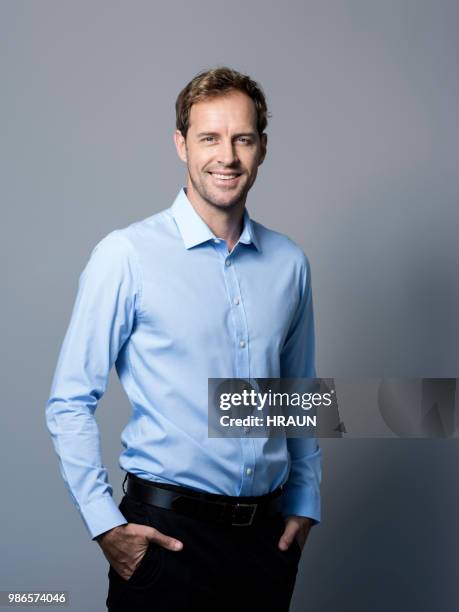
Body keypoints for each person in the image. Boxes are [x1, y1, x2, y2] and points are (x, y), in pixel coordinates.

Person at [45, 66, 322, 611]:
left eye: (243, 138)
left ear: (262, 147)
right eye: (210, 138)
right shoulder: (126, 256)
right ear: (181, 145)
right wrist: (106, 528)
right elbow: (68, 403)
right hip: (166, 541)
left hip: (266, 545)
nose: (228, 156)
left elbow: (297, 392)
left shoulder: (290, 262)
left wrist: (305, 500)